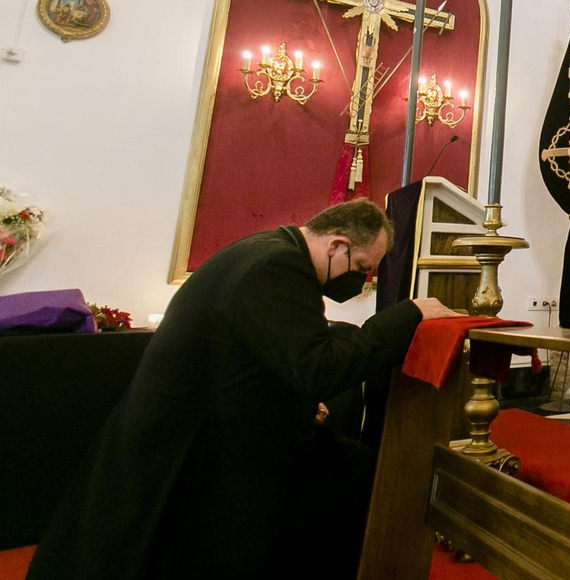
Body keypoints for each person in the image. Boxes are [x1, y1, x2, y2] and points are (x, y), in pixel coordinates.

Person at [27, 199, 457, 580]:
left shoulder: (264, 248)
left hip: (200, 421)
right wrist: (409, 315)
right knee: (348, 473)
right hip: (195, 442)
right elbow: (320, 368)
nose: (362, 282)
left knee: (344, 462)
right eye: (363, 268)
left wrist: (298, 404)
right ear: (337, 246)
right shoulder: (279, 267)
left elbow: (253, 357)